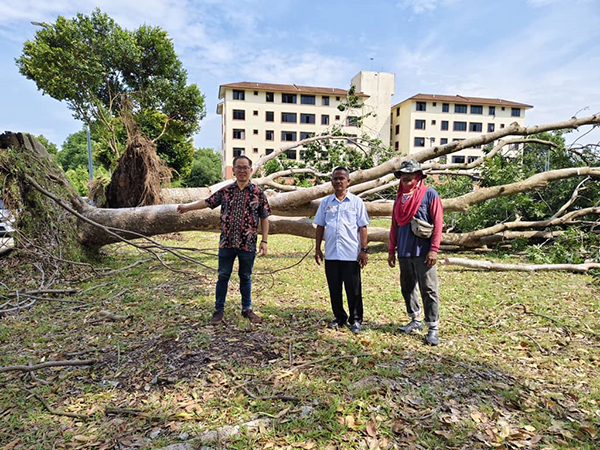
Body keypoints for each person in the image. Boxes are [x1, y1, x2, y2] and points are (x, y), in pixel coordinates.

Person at [177, 155, 271, 325]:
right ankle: (218, 310)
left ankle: (246, 309)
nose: (242, 171)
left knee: (246, 276)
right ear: (233, 170)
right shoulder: (226, 191)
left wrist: (264, 241)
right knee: (223, 276)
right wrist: (187, 207)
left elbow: (264, 217)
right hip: (226, 243)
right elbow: (207, 202)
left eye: (245, 167)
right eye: (238, 167)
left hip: (248, 243)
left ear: (250, 170)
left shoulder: (258, 193)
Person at [387, 159, 443, 345]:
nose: (406, 177)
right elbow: (394, 225)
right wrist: (391, 250)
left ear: (418, 176)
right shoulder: (399, 198)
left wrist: (433, 250)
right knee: (407, 287)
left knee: (428, 289)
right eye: (403, 174)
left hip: (423, 252)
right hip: (404, 250)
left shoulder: (429, 195)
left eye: (410, 174)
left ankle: (432, 327)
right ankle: (415, 319)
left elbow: (438, 224)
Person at [314, 167, 370, 333]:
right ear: (332, 182)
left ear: (348, 182)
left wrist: (364, 250)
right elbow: (320, 226)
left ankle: (356, 320)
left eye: (342, 179)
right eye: (335, 179)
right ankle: (339, 317)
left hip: (351, 254)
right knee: (334, 289)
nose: (338, 181)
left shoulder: (356, 202)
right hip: (331, 254)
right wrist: (318, 249)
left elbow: (363, 227)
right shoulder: (325, 203)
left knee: (353, 289)